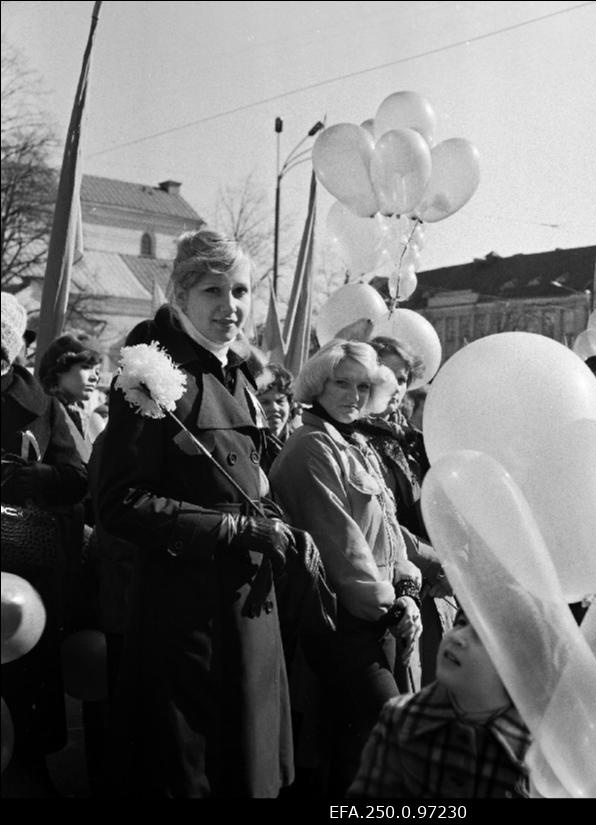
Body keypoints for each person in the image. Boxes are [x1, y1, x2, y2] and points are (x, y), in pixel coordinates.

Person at [95, 229, 313, 798]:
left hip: (249, 609)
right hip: (188, 619)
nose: (231, 305)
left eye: (241, 290)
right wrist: (232, 528)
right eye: (213, 291)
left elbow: (246, 478)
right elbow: (120, 502)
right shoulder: (150, 374)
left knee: (252, 767)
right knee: (196, 773)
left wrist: (278, 520)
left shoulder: (236, 372)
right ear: (180, 295)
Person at [269, 339, 423, 798]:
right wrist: (393, 605)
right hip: (342, 624)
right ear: (318, 384)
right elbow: (342, 550)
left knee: (357, 762)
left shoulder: (353, 441)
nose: (354, 396)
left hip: (378, 620)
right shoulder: (310, 447)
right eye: (342, 383)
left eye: (363, 386)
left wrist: (408, 587)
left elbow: (390, 532)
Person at [1, 292, 89, 797]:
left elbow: (77, 479)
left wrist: (36, 476)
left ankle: (29, 768)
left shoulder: (43, 407)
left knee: (25, 678)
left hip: (23, 569)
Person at [348, 607, 534, 798]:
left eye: (480, 636)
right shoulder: (401, 718)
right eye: (461, 623)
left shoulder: (532, 751)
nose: (458, 637)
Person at [356, 336, 456, 690]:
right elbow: (383, 522)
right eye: (385, 374)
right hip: (394, 585)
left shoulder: (413, 440)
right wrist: (438, 562)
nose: (395, 386)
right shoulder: (355, 439)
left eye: (402, 379)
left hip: (437, 587)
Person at [37, 334, 102, 464]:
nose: (95, 377)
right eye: (86, 367)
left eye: (97, 371)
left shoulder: (79, 414)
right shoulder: (42, 411)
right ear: (60, 368)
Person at [246, 350, 297, 468]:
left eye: (280, 401)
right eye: (265, 402)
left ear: (290, 405)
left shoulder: (300, 445)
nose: (274, 408)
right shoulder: (246, 447)